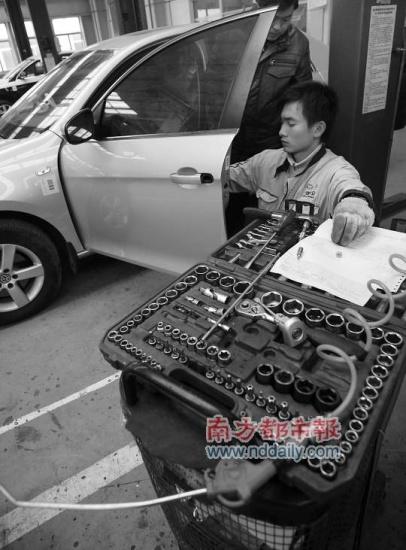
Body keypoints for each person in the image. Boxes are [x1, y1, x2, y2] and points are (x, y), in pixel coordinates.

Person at [226, 81, 375, 246]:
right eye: (282, 123)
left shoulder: (335, 171)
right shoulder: (265, 161)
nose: (281, 132)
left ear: (318, 129)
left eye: (291, 124)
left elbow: (351, 189)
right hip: (263, 250)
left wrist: (353, 207)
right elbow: (225, 178)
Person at [231, 0, 312, 163]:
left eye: (286, 19)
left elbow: (303, 96)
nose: (277, 26)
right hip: (232, 139)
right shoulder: (234, 36)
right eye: (273, 18)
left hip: (272, 142)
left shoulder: (299, 44)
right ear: (258, 9)